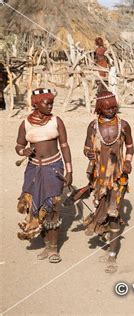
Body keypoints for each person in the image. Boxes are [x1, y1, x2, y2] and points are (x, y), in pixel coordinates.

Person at [16, 88, 73, 263]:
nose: (50, 106)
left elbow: (64, 145)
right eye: (46, 103)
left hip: (53, 168)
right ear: (36, 103)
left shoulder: (56, 121)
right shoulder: (26, 123)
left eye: (51, 103)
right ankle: (46, 244)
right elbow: (18, 145)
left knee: (52, 207)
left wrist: (69, 170)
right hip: (33, 170)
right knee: (36, 206)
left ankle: (53, 249)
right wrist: (23, 151)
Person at [81, 91, 133, 273]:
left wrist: (127, 162)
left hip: (119, 177)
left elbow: (130, 147)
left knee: (114, 213)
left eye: (113, 107)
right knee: (102, 211)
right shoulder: (93, 127)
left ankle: (112, 255)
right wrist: (88, 153)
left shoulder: (123, 125)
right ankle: (107, 241)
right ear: (100, 108)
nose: (111, 110)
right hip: (99, 179)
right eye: (107, 108)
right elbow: (86, 148)